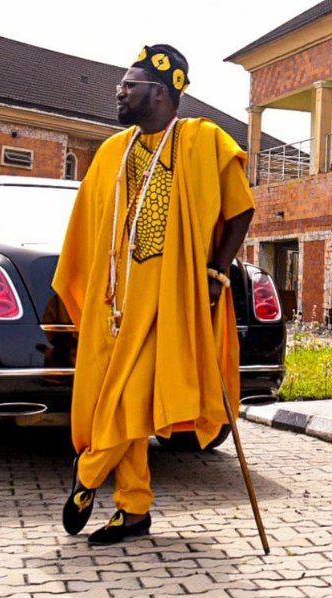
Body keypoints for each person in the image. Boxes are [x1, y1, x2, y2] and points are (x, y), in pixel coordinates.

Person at [52, 44, 255, 546]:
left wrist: (217, 271)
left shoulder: (202, 140)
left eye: (129, 85)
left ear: (160, 92)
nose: (118, 92)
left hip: (171, 295)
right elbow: (86, 228)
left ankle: (90, 471)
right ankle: (133, 509)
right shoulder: (111, 151)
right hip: (114, 299)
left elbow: (241, 210)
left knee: (136, 394)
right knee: (112, 399)